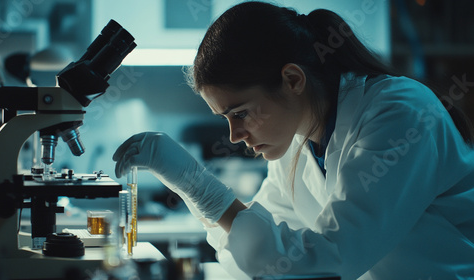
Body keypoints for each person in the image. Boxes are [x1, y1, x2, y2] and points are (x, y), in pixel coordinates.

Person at [113, 2, 474, 279]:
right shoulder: (298, 140)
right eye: (225, 118)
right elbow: (264, 257)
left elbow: (329, 260)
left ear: (293, 79)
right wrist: (202, 196)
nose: (234, 136)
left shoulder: (400, 112)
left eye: (240, 113)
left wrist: (199, 187)